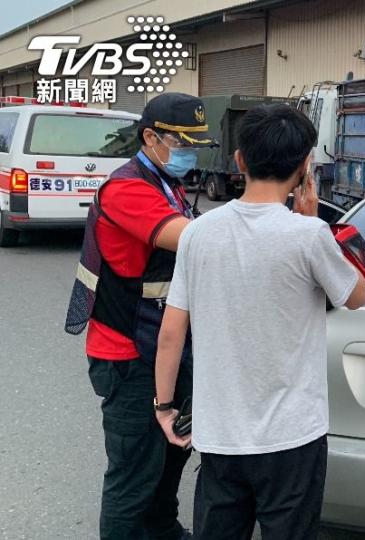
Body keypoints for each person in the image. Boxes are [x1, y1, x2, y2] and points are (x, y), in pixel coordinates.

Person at [153, 104, 365, 540]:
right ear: (306, 166)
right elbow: (355, 297)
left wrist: (164, 407)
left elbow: (171, 332)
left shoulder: (197, 232)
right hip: (293, 439)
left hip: (220, 437)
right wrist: (312, 224)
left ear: (239, 161)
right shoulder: (309, 236)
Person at [63, 92, 218, 540]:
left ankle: (164, 530)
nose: (188, 153)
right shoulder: (128, 188)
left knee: (169, 462)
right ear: (150, 138)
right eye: (180, 142)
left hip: (164, 351)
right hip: (130, 357)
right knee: (133, 478)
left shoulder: (165, 184)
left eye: (196, 144)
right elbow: (195, 240)